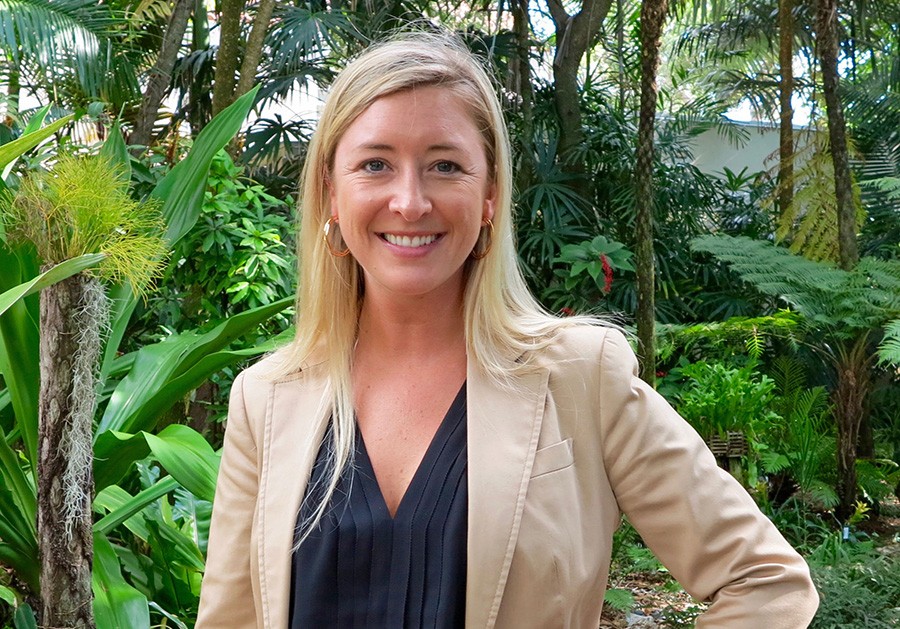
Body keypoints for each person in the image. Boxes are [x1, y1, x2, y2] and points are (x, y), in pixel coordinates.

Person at [196, 33, 819, 628]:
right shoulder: (268, 399)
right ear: (331, 193)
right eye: (375, 164)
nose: (410, 202)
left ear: (490, 194)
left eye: (445, 165)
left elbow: (765, 582)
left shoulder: (579, 376)